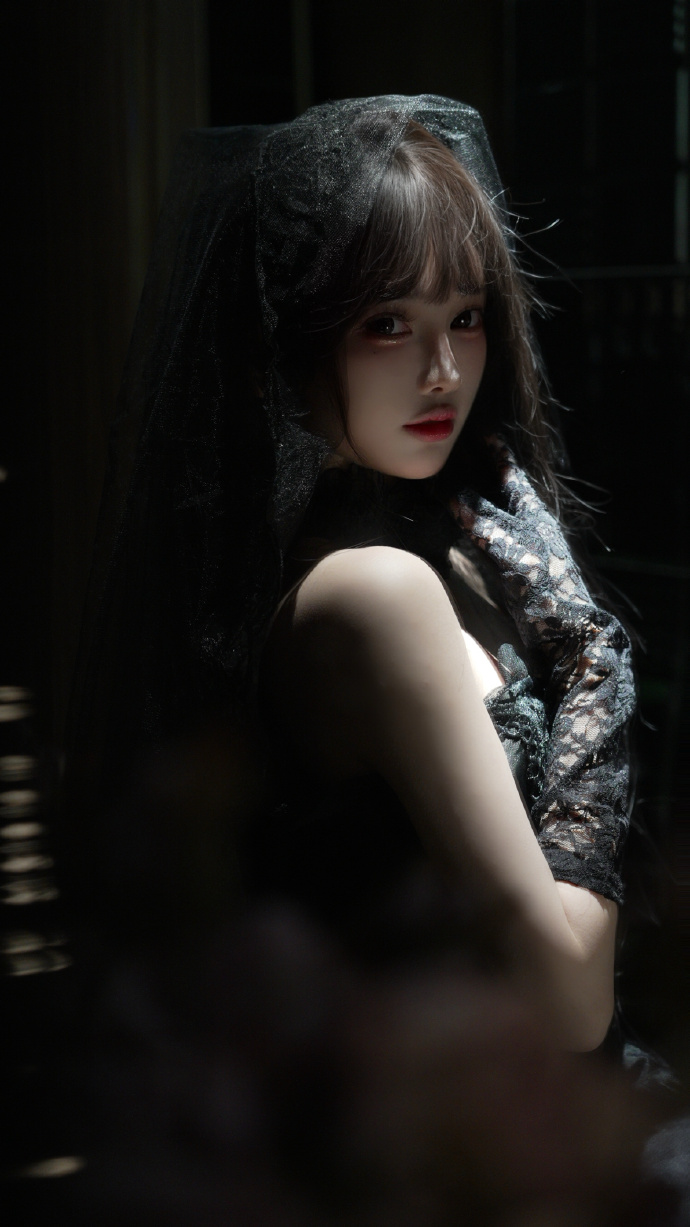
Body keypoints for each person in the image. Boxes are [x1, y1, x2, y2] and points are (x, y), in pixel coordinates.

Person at [65, 96, 634, 1054]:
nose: (444, 369)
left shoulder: (450, 542)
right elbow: (573, 1004)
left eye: (465, 316)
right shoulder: (375, 594)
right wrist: (594, 670)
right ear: (278, 348)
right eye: (387, 322)